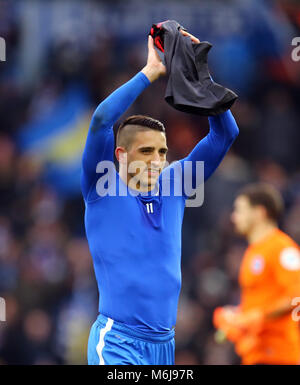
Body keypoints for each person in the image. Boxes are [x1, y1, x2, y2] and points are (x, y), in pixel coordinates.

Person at [82, 30, 239, 365]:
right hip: (117, 342)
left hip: (164, 346)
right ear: (121, 155)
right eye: (147, 151)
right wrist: (150, 72)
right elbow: (100, 122)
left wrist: (202, 79)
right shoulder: (101, 187)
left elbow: (226, 134)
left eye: (163, 151)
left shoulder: (176, 183)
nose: (158, 159)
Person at [213, 183, 300, 365]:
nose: (234, 217)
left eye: (240, 210)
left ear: (260, 212)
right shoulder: (253, 252)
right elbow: (260, 302)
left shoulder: (282, 249)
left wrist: (258, 316)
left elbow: (297, 296)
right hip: (256, 354)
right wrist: (236, 316)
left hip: (279, 355)